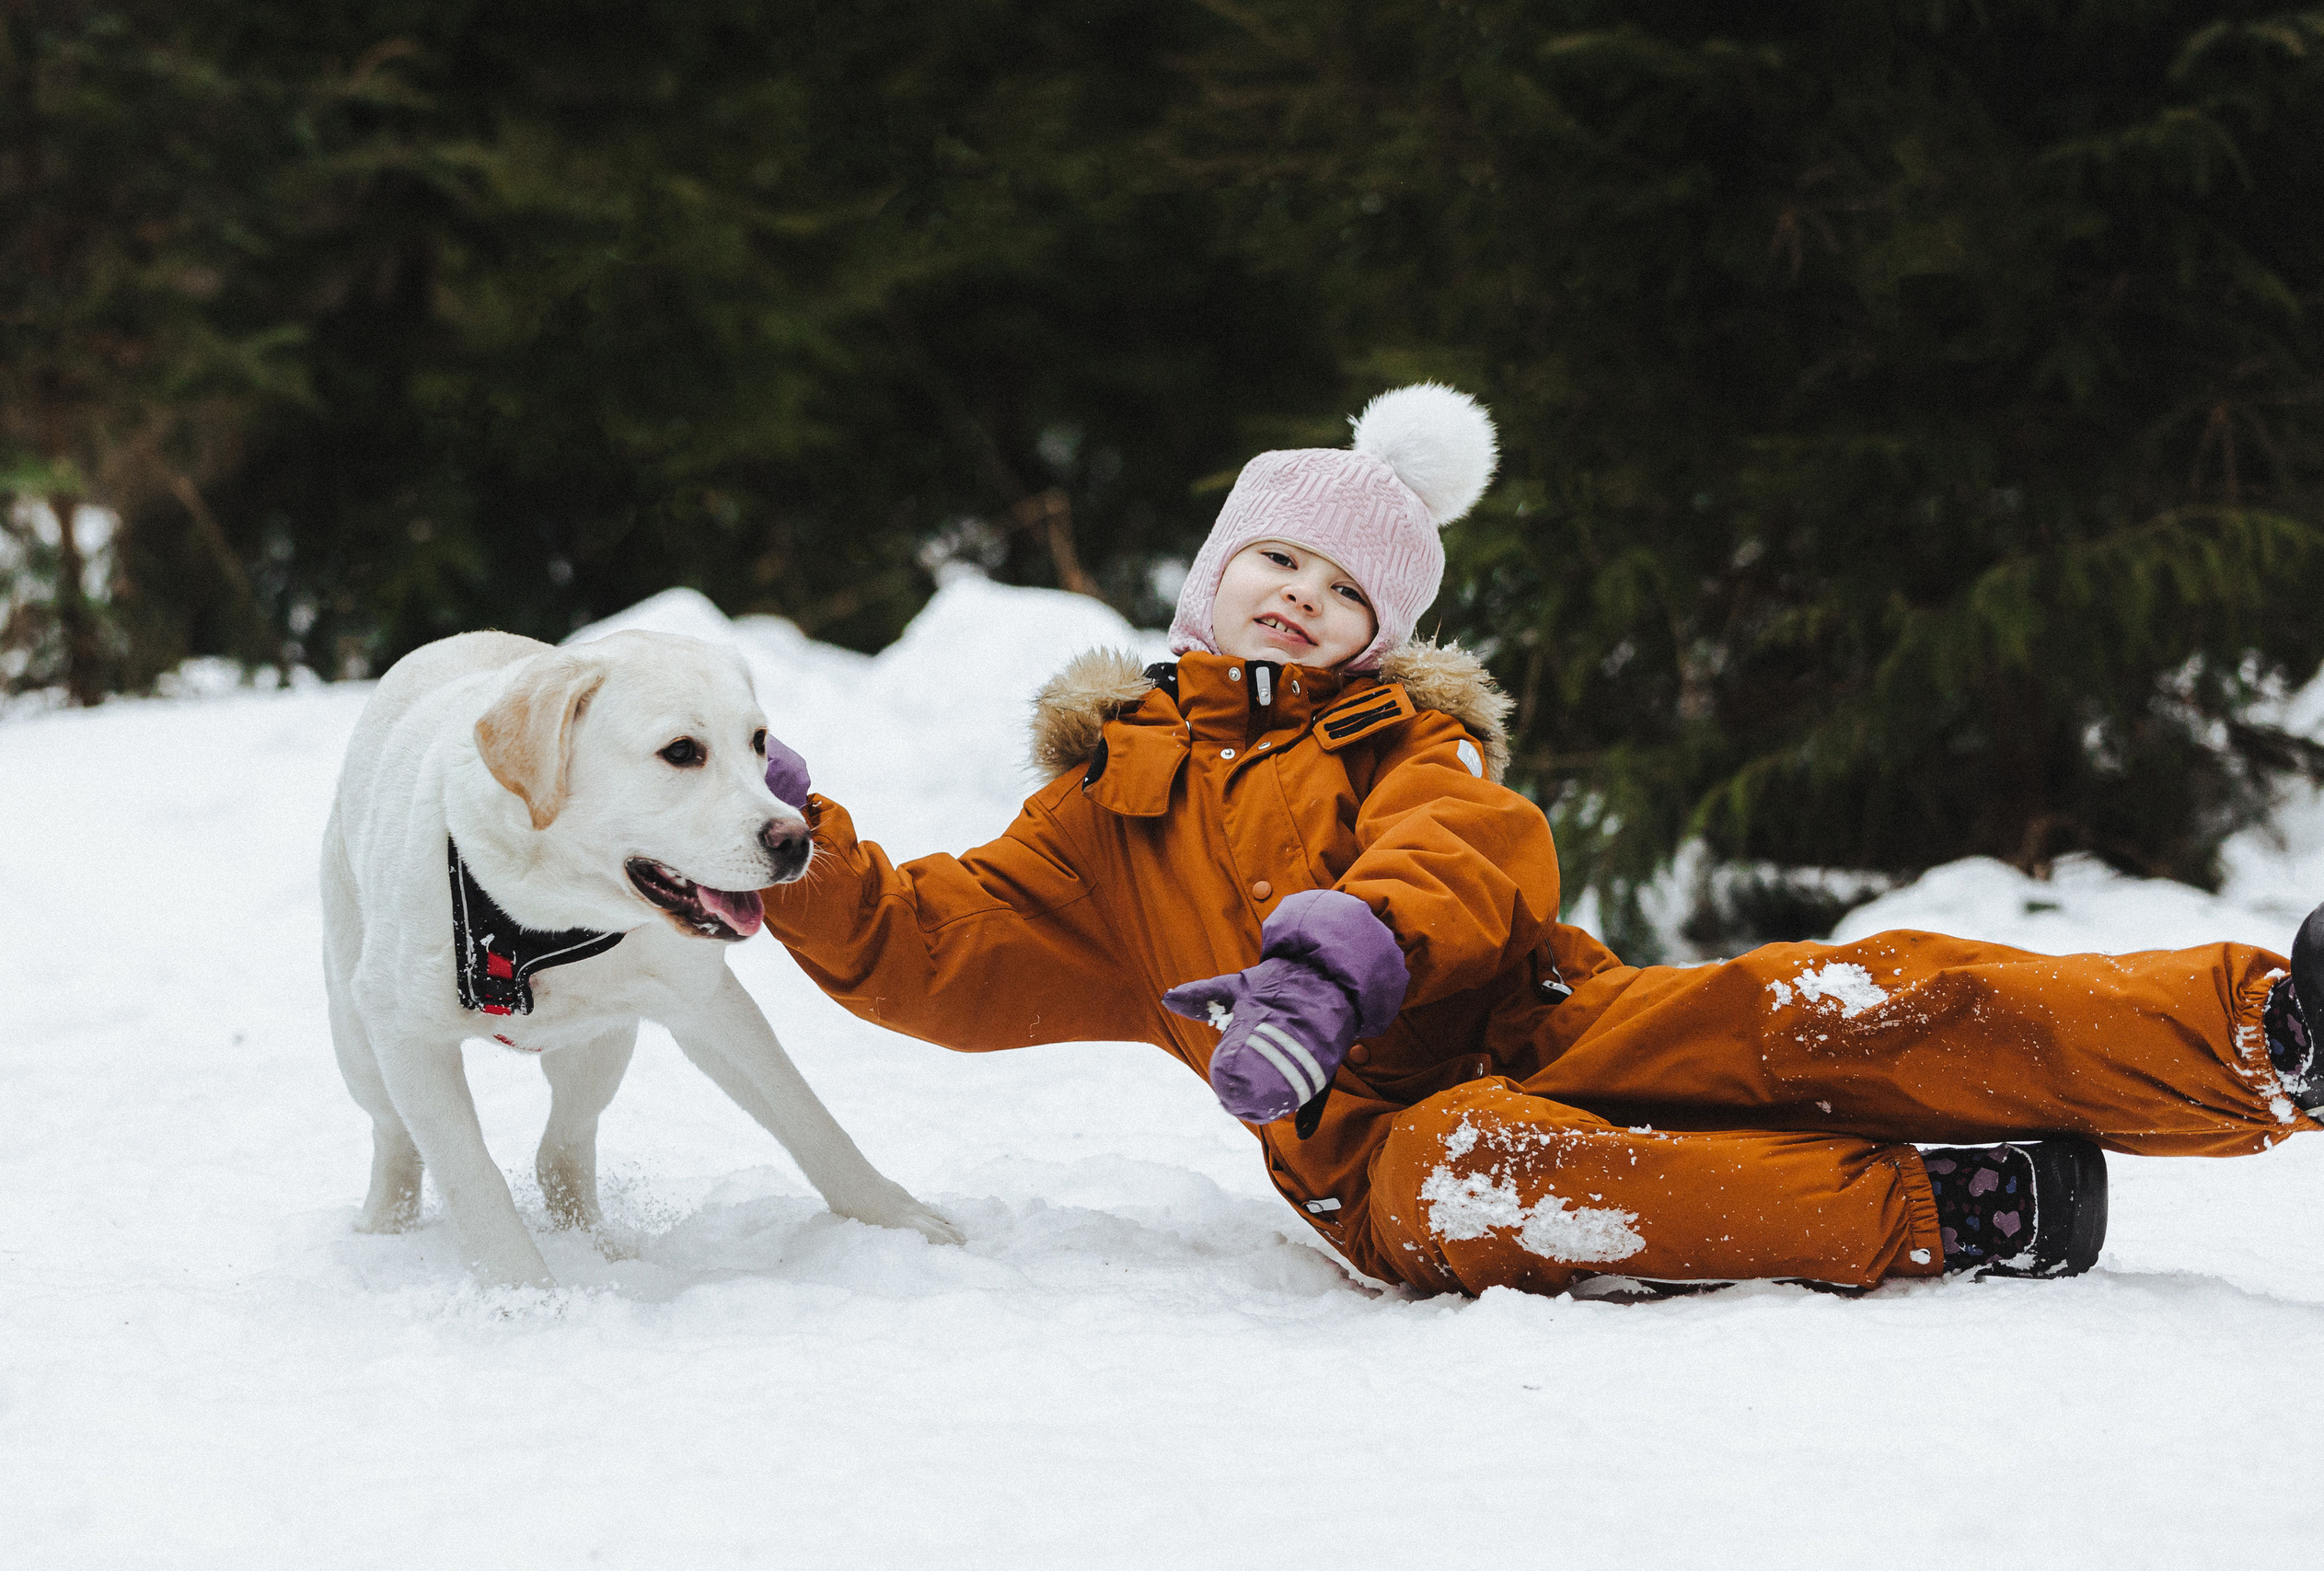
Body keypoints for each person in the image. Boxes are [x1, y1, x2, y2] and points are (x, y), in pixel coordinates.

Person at [757, 384, 2324, 1297]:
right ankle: (1949, 1212)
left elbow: (1468, 845)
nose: (1304, 592)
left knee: (1815, 1002)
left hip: (1549, 1016)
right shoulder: (1106, 808)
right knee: (1472, 1168)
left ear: (1385, 632)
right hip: (1374, 1159)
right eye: (1277, 559)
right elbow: (927, 949)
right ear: (1211, 579)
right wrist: (777, 844)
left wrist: (1349, 950)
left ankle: (2266, 1032)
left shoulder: (1397, 736)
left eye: (1349, 587)